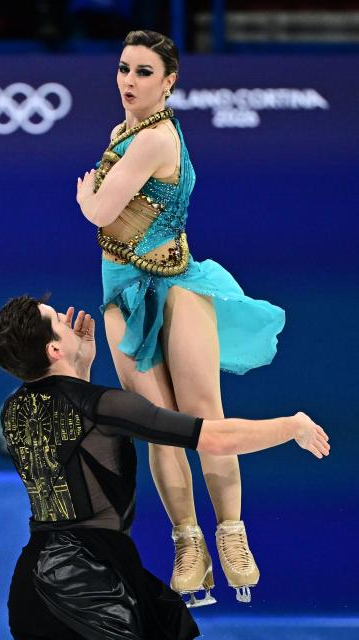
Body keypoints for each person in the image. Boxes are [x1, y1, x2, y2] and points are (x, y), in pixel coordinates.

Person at [76, 30, 286, 604]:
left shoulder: (153, 137)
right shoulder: (124, 131)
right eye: (123, 68)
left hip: (177, 284)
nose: (128, 81)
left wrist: (84, 197)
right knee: (158, 427)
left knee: (203, 417)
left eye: (144, 72)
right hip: (122, 292)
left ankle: (231, 535)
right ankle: (188, 544)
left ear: (169, 82)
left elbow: (98, 208)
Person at [0, 295, 329, 639]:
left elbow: (70, 438)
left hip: (39, 582)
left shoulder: (13, 412)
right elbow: (215, 438)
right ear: (54, 351)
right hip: (84, 584)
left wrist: (81, 368)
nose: (66, 317)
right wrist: (292, 426)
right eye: (58, 321)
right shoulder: (105, 406)